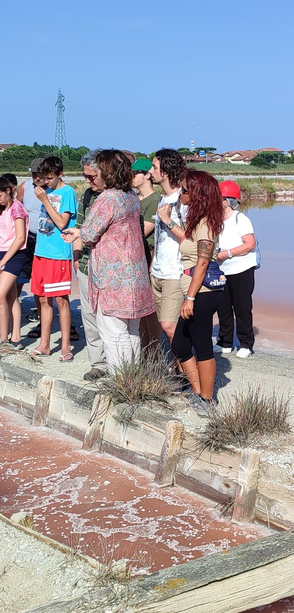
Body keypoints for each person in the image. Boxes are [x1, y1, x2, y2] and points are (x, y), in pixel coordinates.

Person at [64, 150, 156, 371]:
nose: (90, 179)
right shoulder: (131, 196)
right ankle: (132, 378)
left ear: (106, 172)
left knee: (113, 331)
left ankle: (120, 380)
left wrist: (77, 234)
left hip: (112, 277)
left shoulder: (108, 198)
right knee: (131, 330)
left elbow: (89, 234)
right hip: (134, 274)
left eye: (94, 174)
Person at [170, 170, 225, 415]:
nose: (181, 193)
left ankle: (207, 399)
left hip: (201, 292)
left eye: (184, 189)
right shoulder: (198, 220)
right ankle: (197, 392)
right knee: (181, 345)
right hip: (195, 291)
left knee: (201, 344)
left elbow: (202, 262)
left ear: (198, 194)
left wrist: (190, 298)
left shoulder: (205, 223)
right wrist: (169, 222)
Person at [29, 156, 78, 362]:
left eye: (49, 178)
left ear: (60, 174)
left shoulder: (67, 193)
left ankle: (65, 346)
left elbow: (61, 222)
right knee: (42, 298)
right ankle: (45, 343)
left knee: (60, 299)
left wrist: (45, 201)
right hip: (41, 251)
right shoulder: (47, 191)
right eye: (43, 178)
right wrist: (45, 196)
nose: (45, 182)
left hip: (58, 253)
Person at [0, 177, 29, 348]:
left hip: (15, 255)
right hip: (2, 251)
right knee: (11, 297)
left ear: (8, 191)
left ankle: (4, 339)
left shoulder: (17, 209)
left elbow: (19, 238)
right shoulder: (2, 209)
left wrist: (2, 262)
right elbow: (5, 231)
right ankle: (15, 337)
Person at [73, 150, 107, 380]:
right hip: (86, 265)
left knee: (111, 319)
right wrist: (76, 260)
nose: (87, 181)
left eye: (91, 176)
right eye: (85, 176)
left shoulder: (119, 197)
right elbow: (78, 227)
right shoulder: (87, 196)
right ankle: (98, 364)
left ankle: (118, 365)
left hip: (109, 269)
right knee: (89, 315)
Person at [215, 180, 258, 359]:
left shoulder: (241, 218)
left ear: (227, 200)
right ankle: (224, 342)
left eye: (219, 197)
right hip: (221, 270)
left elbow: (250, 244)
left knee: (242, 307)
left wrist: (228, 253)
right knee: (222, 307)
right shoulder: (214, 219)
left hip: (241, 269)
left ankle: (246, 343)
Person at [149, 149, 188, 347]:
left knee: (169, 326)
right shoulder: (163, 198)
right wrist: (153, 262)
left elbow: (190, 239)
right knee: (164, 326)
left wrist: (168, 221)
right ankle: (176, 368)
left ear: (165, 171)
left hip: (175, 272)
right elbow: (159, 236)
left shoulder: (183, 201)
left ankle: (186, 372)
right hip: (158, 271)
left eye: (155, 167)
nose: (150, 171)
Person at [132, 157, 162, 353]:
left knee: (151, 309)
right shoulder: (133, 198)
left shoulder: (155, 200)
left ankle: (154, 351)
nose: (131, 177)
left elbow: (144, 231)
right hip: (135, 259)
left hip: (148, 257)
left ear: (147, 175)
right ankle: (144, 349)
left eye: (135, 174)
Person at [16, 158, 45, 322]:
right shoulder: (25, 187)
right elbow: (16, 209)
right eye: (34, 174)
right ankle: (12, 307)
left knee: (39, 279)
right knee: (19, 276)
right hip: (27, 238)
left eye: (40, 174)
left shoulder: (52, 188)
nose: (37, 178)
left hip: (45, 240)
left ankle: (42, 312)